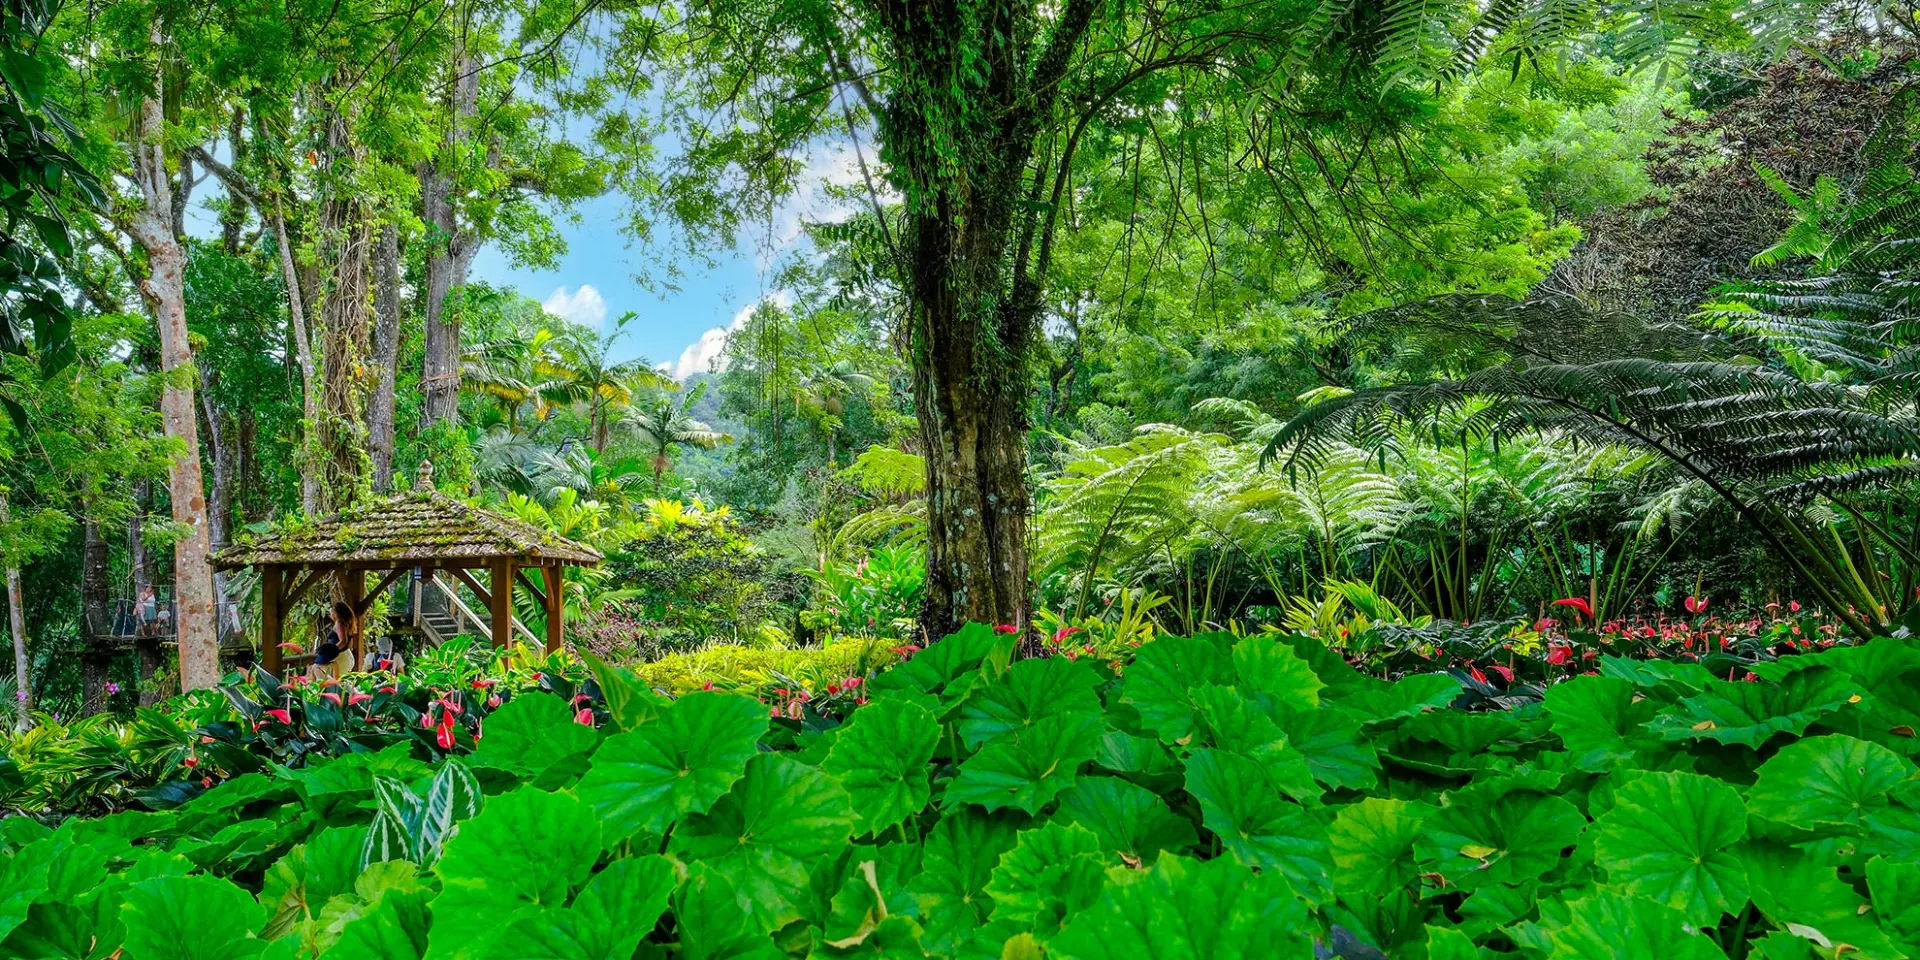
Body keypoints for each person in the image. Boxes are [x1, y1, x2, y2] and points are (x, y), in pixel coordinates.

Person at [310, 601, 358, 681]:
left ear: (337, 612)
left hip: (340, 657)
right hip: (346, 655)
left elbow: (343, 641)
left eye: (332, 611)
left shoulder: (339, 623)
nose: (330, 613)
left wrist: (330, 653)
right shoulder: (344, 623)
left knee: (317, 670)